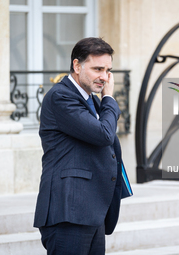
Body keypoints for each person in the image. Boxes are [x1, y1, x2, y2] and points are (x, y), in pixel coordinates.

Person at [34, 37, 125, 255]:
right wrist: (109, 99)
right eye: (97, 69)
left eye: (108, 70)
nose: (104, 77)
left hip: (92, 209)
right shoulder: (60, 97)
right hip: (69, 209)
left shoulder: (90, 99)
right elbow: (104, 134)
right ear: (77, 65)